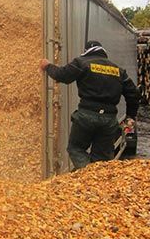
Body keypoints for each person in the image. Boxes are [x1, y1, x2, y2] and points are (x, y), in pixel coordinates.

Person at [39, 40, 139, 170]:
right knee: (101, 160)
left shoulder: (82, 63)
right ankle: (96, 179)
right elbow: (134, 94)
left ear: (87, 51)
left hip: (87, 115)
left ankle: (88, 173)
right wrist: (130, 116)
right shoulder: (118, 70)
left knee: (75, 148)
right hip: (109, 120)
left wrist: (47, 66)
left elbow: (62, 76)